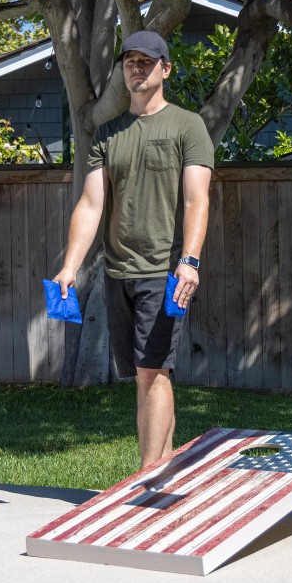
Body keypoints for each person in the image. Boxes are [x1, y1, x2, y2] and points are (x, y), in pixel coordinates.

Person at [53, 30, 214, 469]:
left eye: (146, 62)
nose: (137, 69)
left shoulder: (187, 126)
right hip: (118, 272)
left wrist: (190, 261)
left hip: (165, 271)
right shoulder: (108, 134)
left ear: (166, 69)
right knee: (147, 376)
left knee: (152, 370)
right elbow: (91, 204)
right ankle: (165, 472)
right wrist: (70, 266)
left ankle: (148, 477)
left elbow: (197, 199)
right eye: (130, 62)